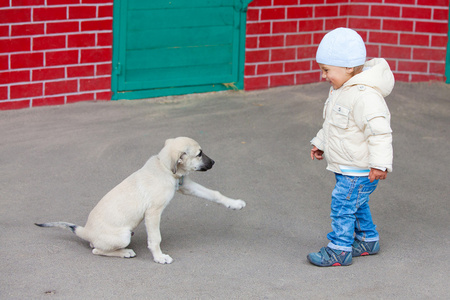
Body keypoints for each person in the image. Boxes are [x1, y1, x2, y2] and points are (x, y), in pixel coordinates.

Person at [307, 27, 394, 267]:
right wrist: (321, 142)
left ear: (348, 68)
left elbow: (379, 132)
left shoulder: (365, 96)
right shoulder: (340, 90)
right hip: (347, 166)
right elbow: (334, 124)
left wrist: (379, 164)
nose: (323, 76)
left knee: (342, 206)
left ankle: (339, 250)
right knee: (356, 203)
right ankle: (367, 240)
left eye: (326, 70)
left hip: (359, 169)